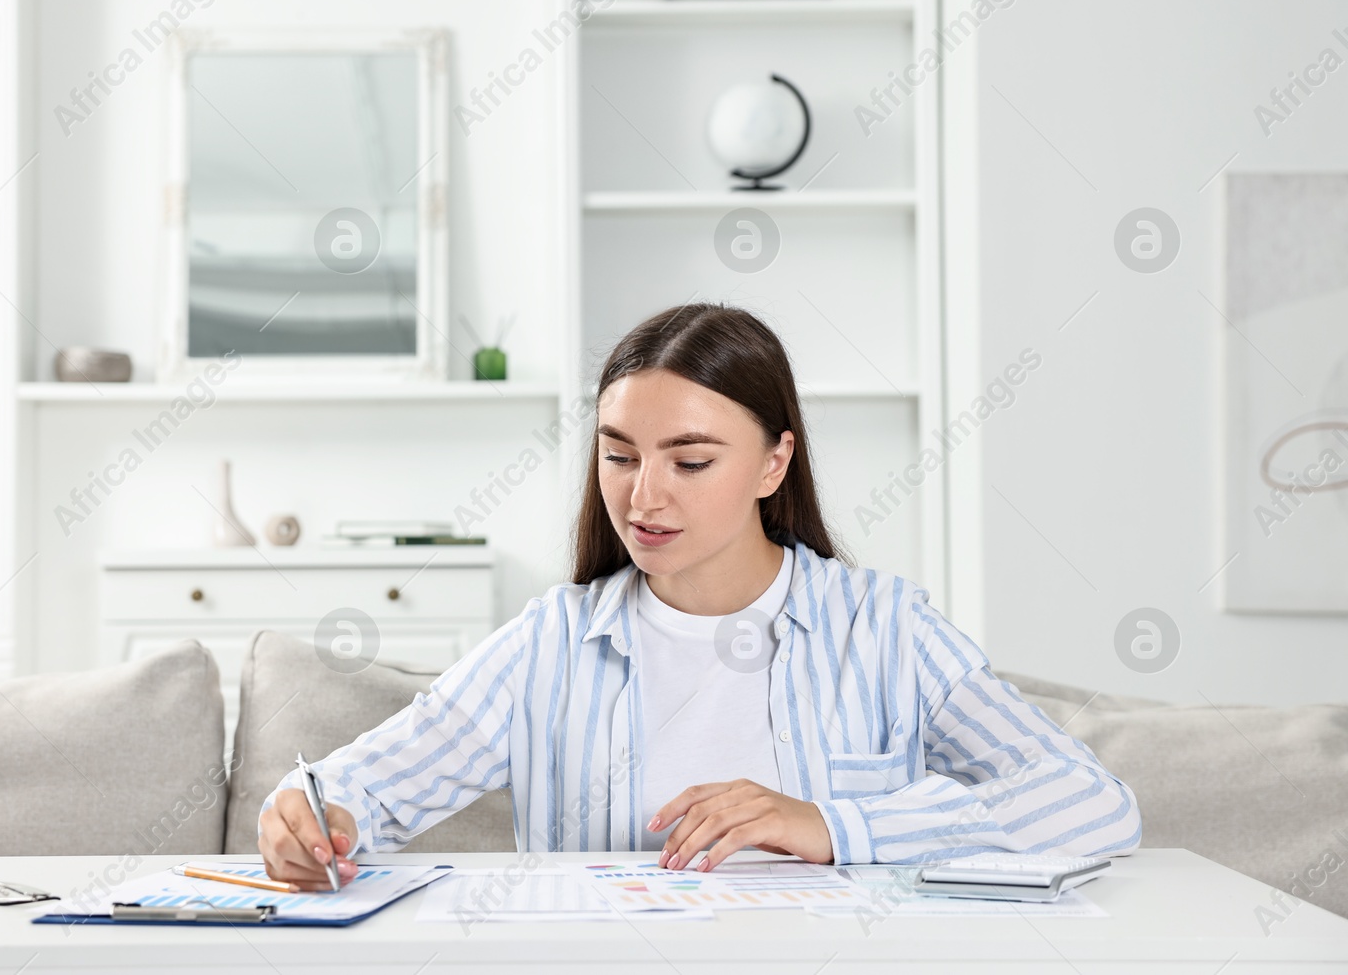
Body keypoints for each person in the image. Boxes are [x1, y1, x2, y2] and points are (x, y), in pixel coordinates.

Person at [258, 304, 1141, 889]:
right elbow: (356, 790)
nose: (644, 496)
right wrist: (308, 817)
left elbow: (1089, 799)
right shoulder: (553, 644)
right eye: (618, 455)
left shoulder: (883, 628)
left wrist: (833, 823)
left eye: (689, 461)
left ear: (773, 461)